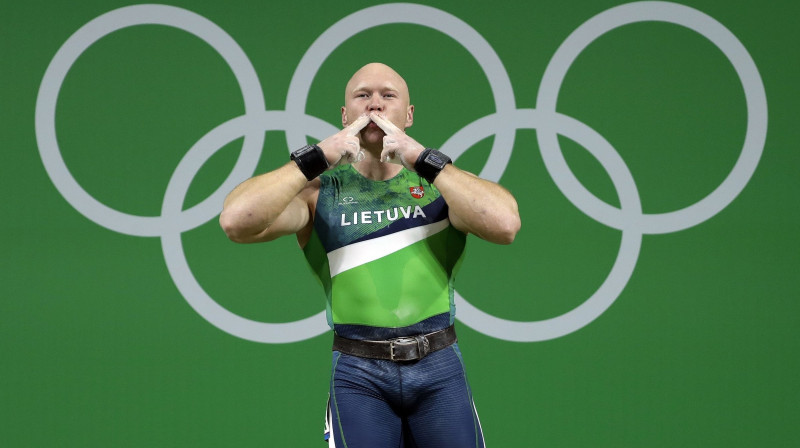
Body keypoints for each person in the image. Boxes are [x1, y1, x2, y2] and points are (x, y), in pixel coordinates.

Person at [220, 62, 520, 447]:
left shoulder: (440, 187)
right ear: (345, 116)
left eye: (387, 96)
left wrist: (424, 159)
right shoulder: (319, 193)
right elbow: (236, 220)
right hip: (358, 377)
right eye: (363, 96)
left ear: (408, 115)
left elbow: (505, 224)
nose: (374, 106)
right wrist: (315, 157)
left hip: (439, 370)